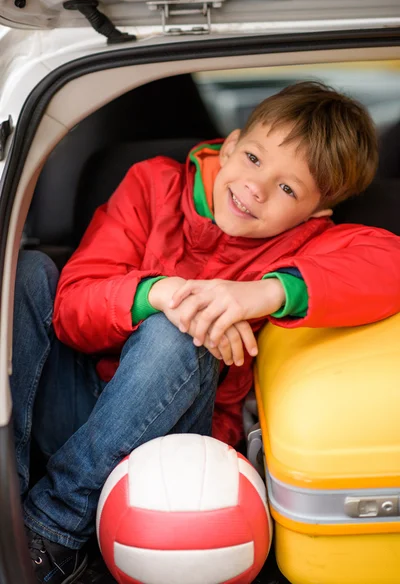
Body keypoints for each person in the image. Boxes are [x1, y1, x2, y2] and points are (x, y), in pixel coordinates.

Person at [12, 81, 400, 583]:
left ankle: (51, 528)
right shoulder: (154, 185)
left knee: (179, 336)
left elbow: (389, 261)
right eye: (256, 159)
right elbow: (71, 308)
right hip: (81, 402)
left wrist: (266, 293)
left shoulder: (312, 244)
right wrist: (161, 292)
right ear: (232, 144)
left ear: (316, 212)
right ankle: (9, 500)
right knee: (27, 274)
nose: (256, 189)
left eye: (288, 189)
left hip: (172, 438)